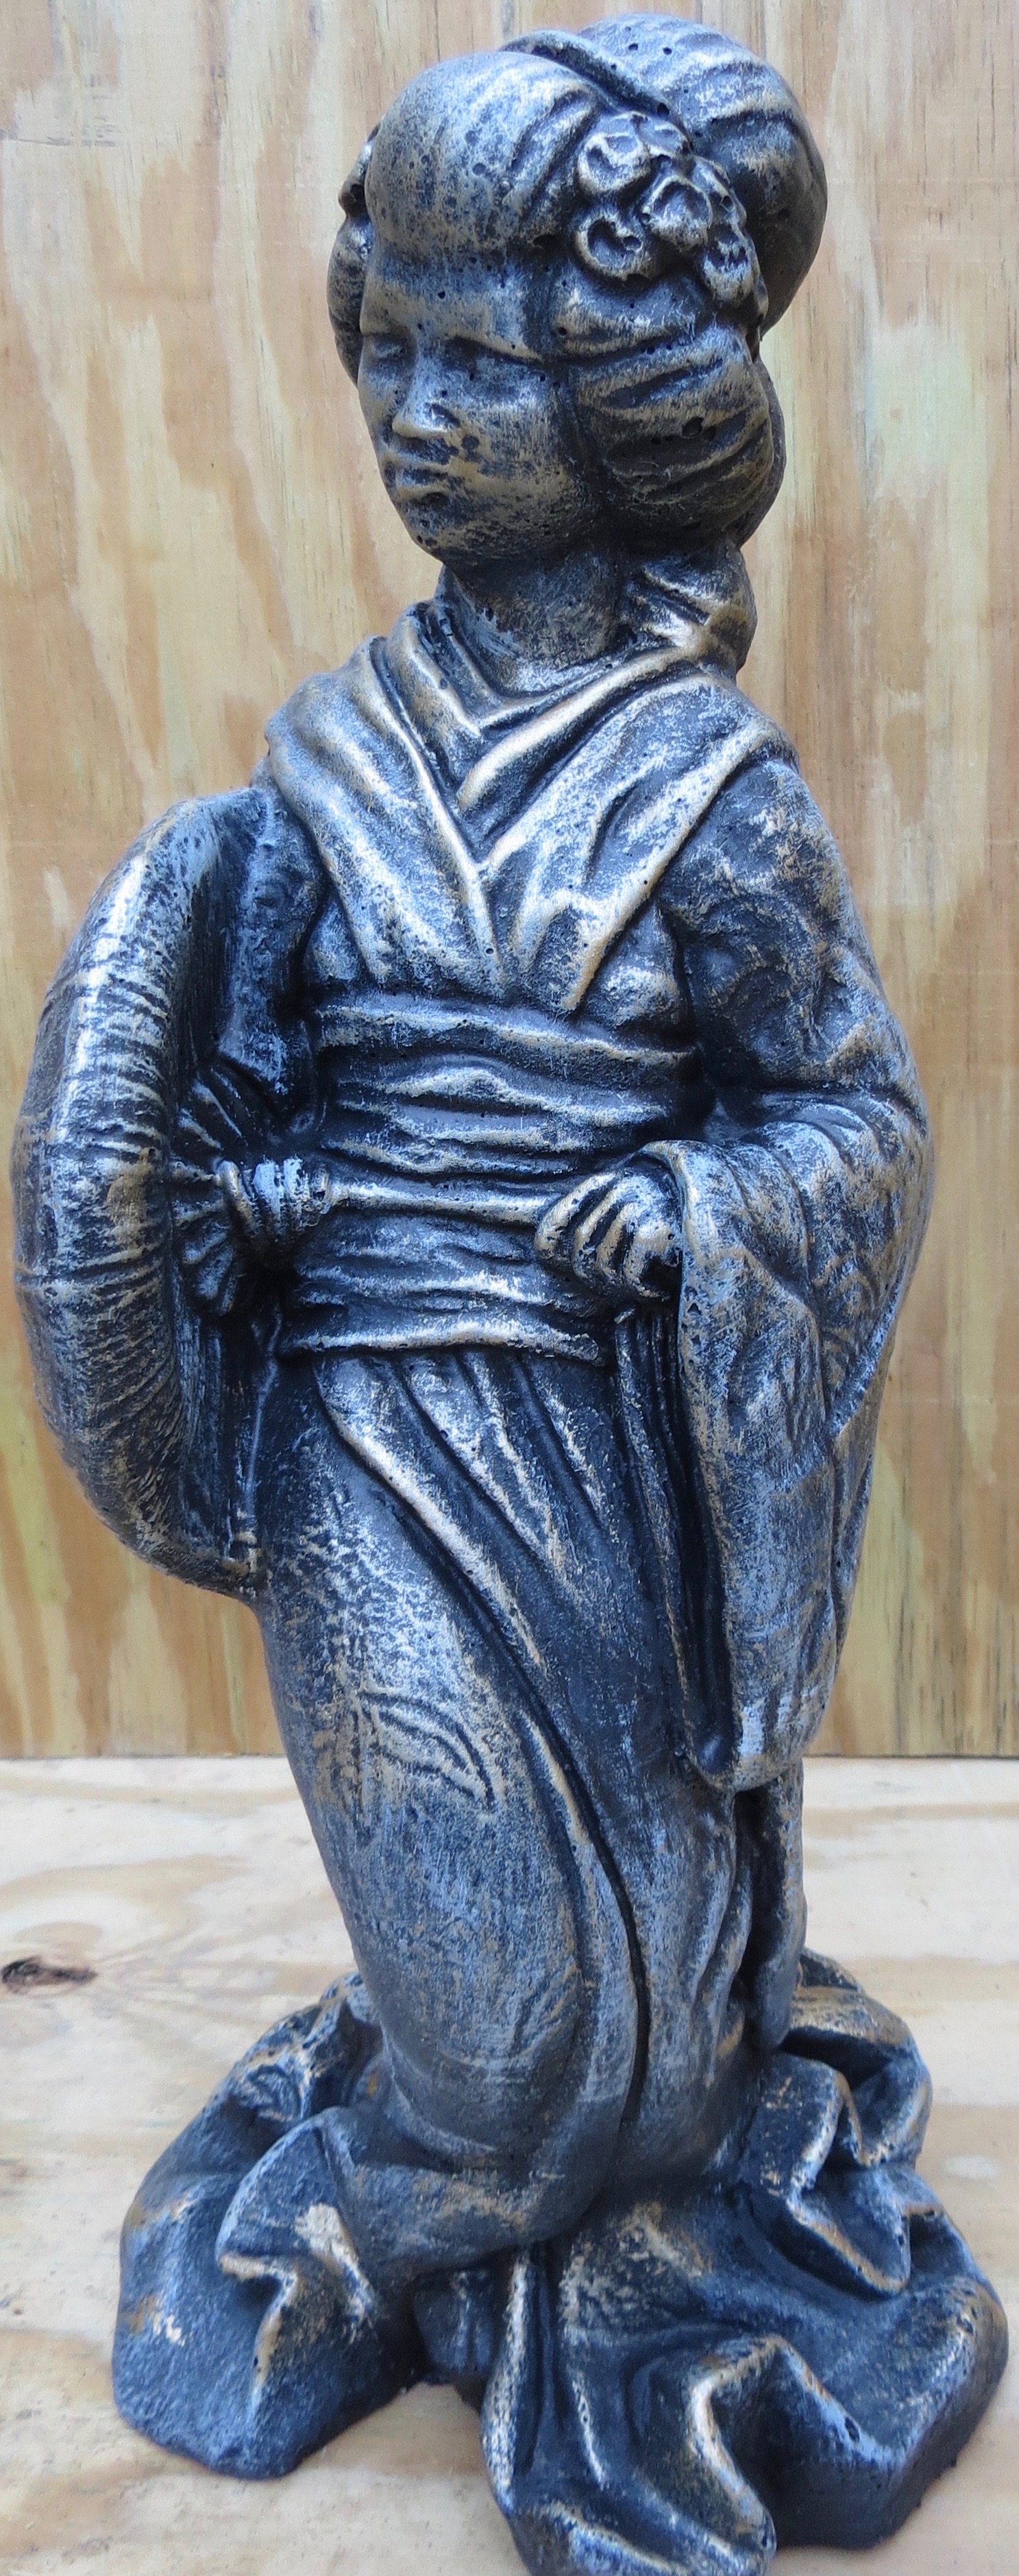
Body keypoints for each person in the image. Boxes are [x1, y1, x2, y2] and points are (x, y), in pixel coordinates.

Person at [13, 20, 1005, 2571]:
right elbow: (228, 1104)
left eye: (490, 368)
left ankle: (573, 2200)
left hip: (616, 1468)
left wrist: (703, 1213)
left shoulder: (708, 789)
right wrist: (243, 1214)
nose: (420, 423)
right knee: (494, 2004)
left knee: (664, 2057)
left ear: (629, 402)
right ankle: (402, 2206)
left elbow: (849, 1114)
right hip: (371, 1446)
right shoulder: (325, 758)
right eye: (399, 359)